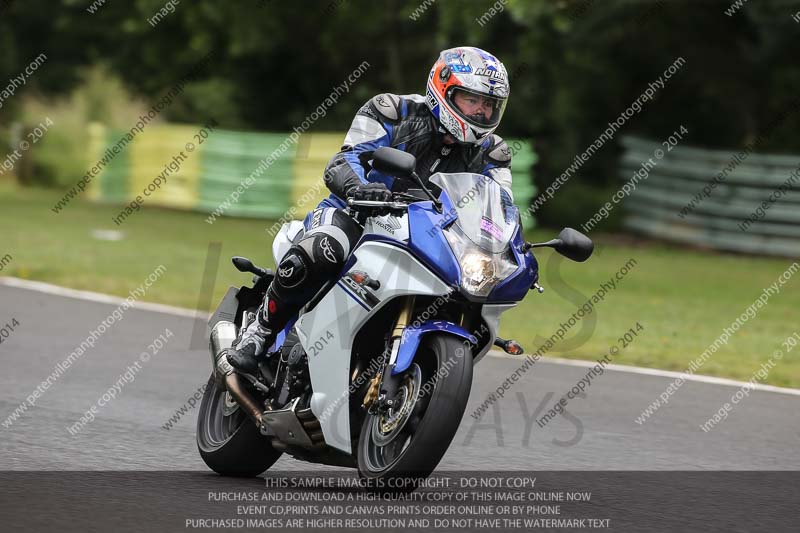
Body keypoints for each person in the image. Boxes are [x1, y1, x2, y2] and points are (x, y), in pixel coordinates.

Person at [227, 46, 514, 374]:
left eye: (489, 104)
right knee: (325, 249)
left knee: (467, 291)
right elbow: (345, 159)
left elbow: (500, 206)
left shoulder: (494, 153)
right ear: (443, 88)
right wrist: (359, 187)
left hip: (429, 239)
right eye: (472, 100)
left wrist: (511, 244)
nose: (481, 112)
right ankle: (260, 331)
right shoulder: (392, 111)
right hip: (358, 216)